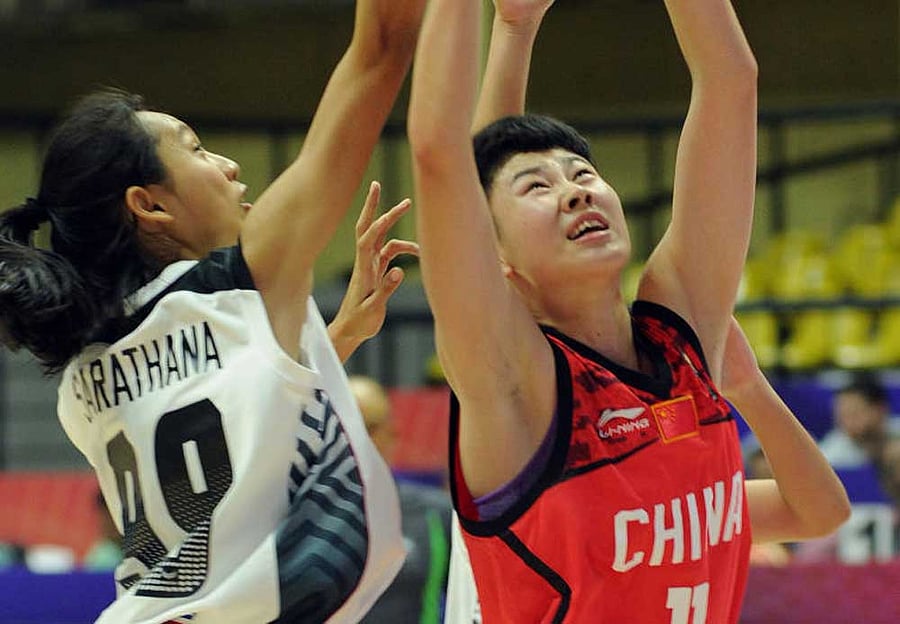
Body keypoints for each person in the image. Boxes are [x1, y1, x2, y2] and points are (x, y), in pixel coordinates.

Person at [408, 0, 850, 622]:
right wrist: (499, 26)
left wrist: (516, 25)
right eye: (538, 187)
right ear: (496, 258)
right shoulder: (519, 382)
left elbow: (730, 79)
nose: (575, 189)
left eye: (582, 172)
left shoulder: (682, 335)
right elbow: (443, 157)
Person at [0, 0, 426, 621]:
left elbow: (226, 426)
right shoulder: (242, 286)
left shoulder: (80, 375)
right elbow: (381, 50)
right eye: (197, 149)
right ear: (150, 206)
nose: (228, 166)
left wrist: (330, 343)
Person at [348, 375, 453, 624]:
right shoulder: (302, 512)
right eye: (344, 424)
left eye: (368, 426)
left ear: (391, 433)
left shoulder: (437, 514)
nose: (354, 437)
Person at [819, 372, 900, 469]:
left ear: (880, 410)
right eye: (842, 416)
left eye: (854, 414)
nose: (847, 422)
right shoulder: (831, 456)